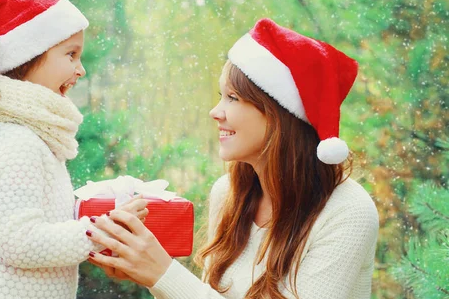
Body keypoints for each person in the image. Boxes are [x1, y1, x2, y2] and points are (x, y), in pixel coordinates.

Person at [85, 18, 379, 299]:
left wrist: (162, 273)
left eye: (233, 98)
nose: (216, 111)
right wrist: (146, 271)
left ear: (280, 116)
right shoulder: (228, 194)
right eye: (220, 96)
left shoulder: (348, 212)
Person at [0, 0, 147, 299]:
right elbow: (22, 244)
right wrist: (101, 230)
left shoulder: (29, 136)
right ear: (25, 59)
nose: (80, 70)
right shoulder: (17, 142)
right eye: (71, 54)